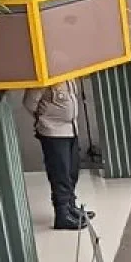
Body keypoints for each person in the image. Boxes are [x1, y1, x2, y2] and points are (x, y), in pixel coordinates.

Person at [23, 81, 88, 230]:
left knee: (71, 171)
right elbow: (29, 103)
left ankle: (71, 207)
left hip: (71, 129)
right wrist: (44, 116)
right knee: (60, 174)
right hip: (53, 131)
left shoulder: (66, 77)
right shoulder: (43, 79)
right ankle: (62, 215)